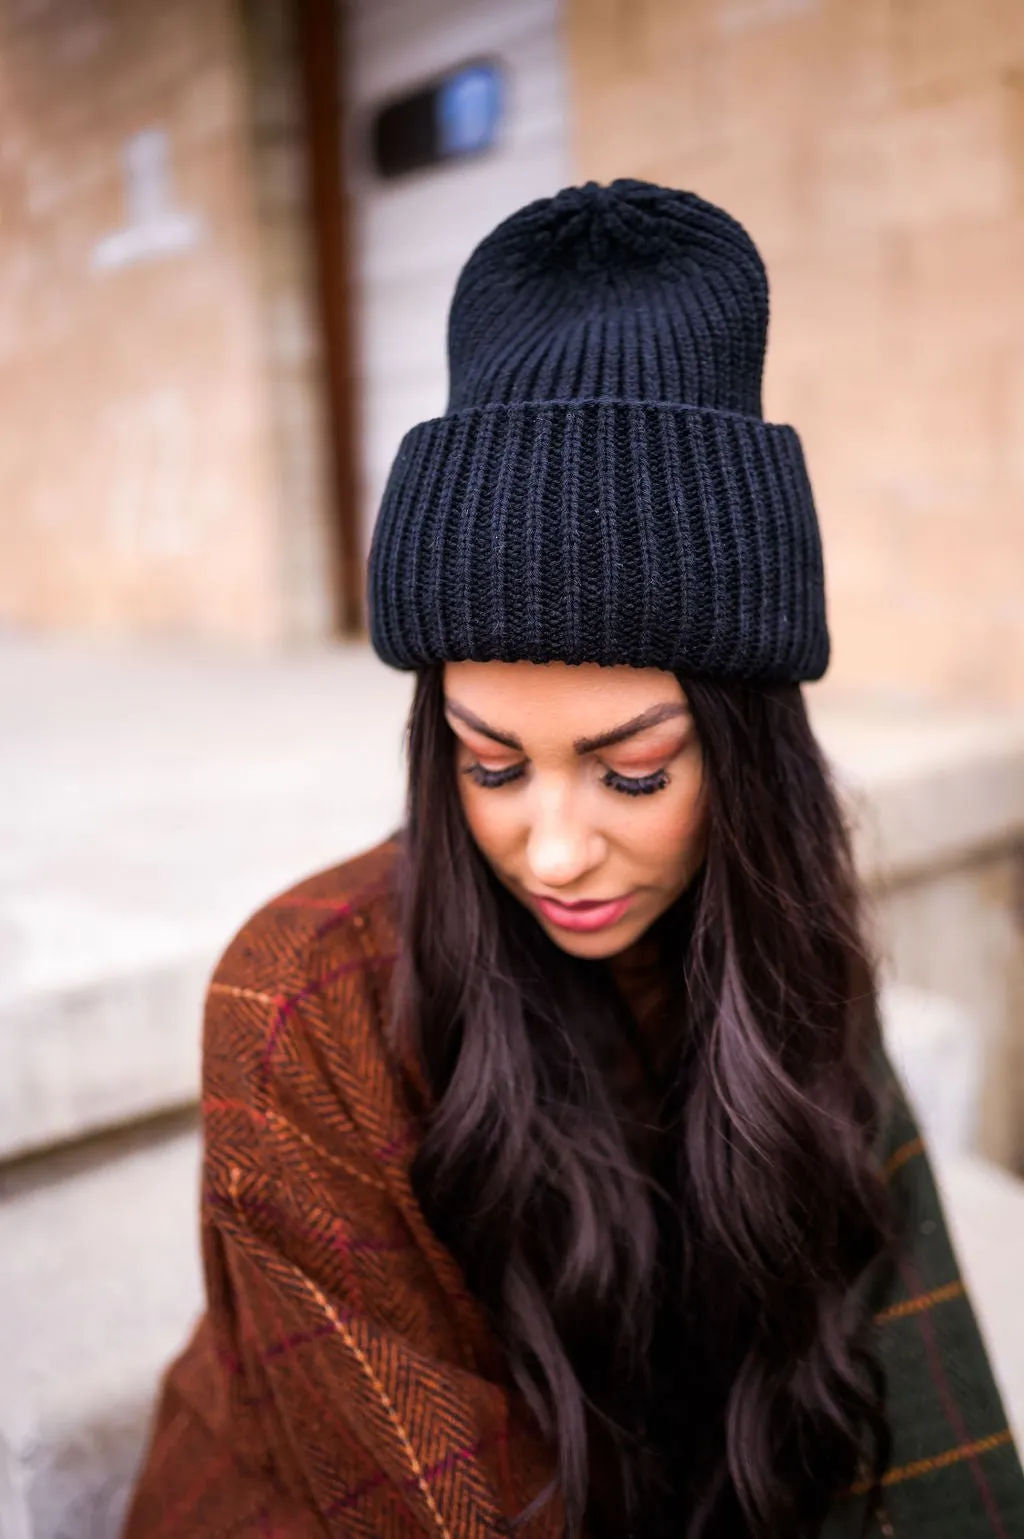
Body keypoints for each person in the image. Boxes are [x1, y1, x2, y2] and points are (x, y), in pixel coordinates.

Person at [123, 181, 1023, 1539]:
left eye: (636, 771)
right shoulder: (304, 1004)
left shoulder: (778, 943)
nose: (552, 846)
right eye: (490, 763)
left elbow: (918, 1411)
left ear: (746, 754)